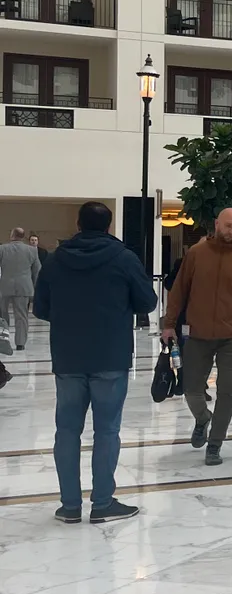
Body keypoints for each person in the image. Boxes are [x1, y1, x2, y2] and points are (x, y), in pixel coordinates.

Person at [33, 202, 157, 524]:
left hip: (68, 356)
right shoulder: (123, 258)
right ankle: (102, 503)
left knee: (67, 431)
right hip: (110, 356)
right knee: (106, 431)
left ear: (77, 224)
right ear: (108, 225)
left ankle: (69, 505)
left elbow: (41, 308)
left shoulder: (58, 259)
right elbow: (147, 301)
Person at [161, 208, 232, 467]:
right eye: (227, 225)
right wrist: (169, 323)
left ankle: (215, 443)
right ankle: (202, 418)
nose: (230, 231)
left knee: (227, 392)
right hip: (197, 333)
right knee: (191, 390)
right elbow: (179, 291)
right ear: (217, 223)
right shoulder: (196, 254)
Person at [0, 227, 41, 352]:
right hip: (24, 287)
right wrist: (35, 286)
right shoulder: (32, 250)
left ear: (12, 235)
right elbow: (37, 270)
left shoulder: (2, 249)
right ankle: (20, 343)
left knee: (2, 314)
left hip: (4, 286)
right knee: (21, 316)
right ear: (23, 237)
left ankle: (3, 339)